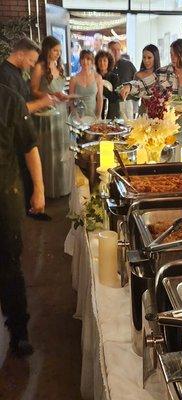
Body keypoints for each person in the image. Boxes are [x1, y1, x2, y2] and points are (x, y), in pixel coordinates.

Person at [0, 83, 45, 357]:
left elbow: (30, 146)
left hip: (4, 196)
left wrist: (39, 189)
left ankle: (19, 332)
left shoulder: (8, 98)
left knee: (9, 266)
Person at [0, 37, 53, 221]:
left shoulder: (16, 73)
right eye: (30, 60)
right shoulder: (6, 76)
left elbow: (23, 102)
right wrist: (41, 103)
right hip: (13, 146)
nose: (32, 65)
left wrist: (41, 101)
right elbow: (14, 111)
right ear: (20, 53)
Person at [31, 35, 72, 198]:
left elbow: (62, 88)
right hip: (46, 113)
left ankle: (63, 187)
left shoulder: (59, 66)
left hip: (61, 112)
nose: (57, 54)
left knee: (62, 150)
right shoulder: (39, 67)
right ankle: (46, 191)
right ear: (47, 49)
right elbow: (32, 90)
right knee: (48, 151)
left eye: (59, 51)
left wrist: (65, 96)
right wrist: (50, 94)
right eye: (55, 50)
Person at [69, 49, 103, 119]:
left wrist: (98, 115)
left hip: (94, 116)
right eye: (82, 59)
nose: (85, 62)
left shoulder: (98, 77)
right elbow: (71, 100)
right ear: (80, 61)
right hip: (78, 117)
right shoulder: (74, 79)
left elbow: (100, 98)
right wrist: (75, 115)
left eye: (88, 59)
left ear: (92, 61)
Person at [108, 40, 137, 119]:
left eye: (118, 50)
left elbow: (137, 82)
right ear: (108, 51)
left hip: (127, 103)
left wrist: (134, 99)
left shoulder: (128, 65)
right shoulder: (105, 66)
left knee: (128, 127)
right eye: (113, 50)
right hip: (111, 106)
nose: (116, 52)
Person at [134, 44, 161, 115]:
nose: (146, 60)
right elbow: (135, 98)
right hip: (143, 112)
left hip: (159, 112)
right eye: (144, 57)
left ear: (155, 58)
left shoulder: (161, 75)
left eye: (149, 57)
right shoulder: (138, 75)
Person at [95, 49, 120, 119]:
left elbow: (115, 97)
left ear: (109, 62)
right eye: (100, 61)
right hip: (96, 111)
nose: (102, 63)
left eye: (104, 60)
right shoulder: (93, 77)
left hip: (111, 112)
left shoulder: (114, 78)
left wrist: (100, 86)